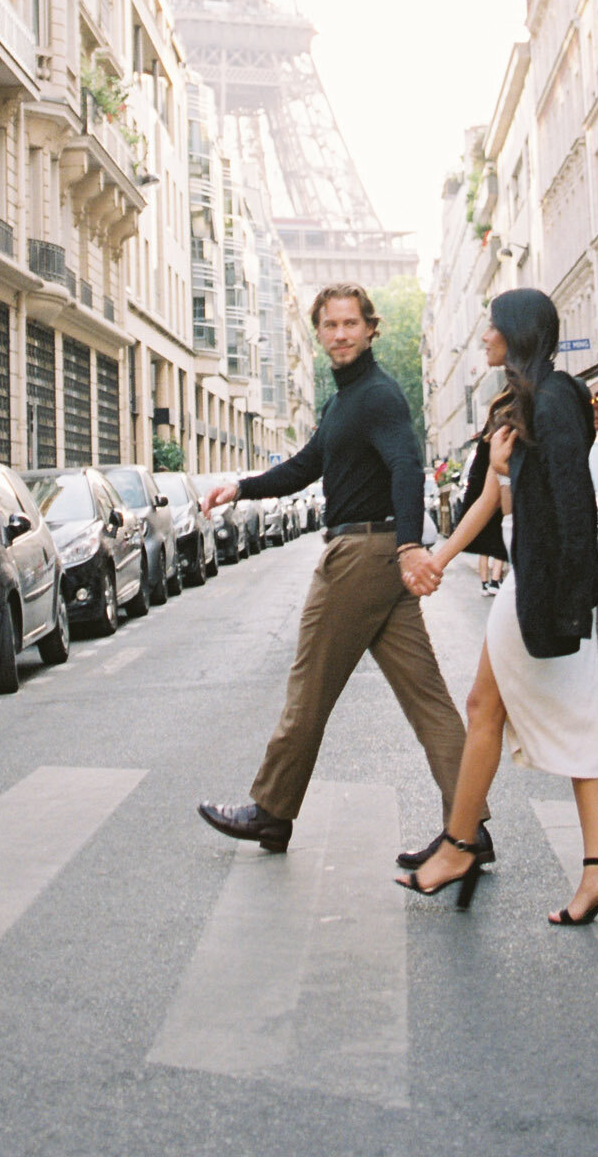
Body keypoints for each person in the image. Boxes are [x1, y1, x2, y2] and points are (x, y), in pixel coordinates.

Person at [195, 282, 467, 853]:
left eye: (350, 324)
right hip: (378, 560)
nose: (340, 334)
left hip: (360, 557)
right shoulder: (344, 402)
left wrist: (410, 547)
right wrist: (240, 487)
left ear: (372, 328)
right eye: (330, 326)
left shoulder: (377, 396)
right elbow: (304, 466)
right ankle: (469, 829)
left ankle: (270, 809)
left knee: (308, 688)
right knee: (429, 699)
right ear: (318, 334)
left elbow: (404, 465)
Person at [397, 288, 598, 925]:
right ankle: (475, 847)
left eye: (492, 328)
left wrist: (577, 598)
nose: (483, 338)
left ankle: (469, 848)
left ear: (517, 334)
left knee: (563, 716)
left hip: (547, 584)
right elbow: (497, 505)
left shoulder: (554, 401)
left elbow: (572, 504)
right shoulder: (522, 401)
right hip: (534, 577)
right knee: (492, 708)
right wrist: (441, 557)